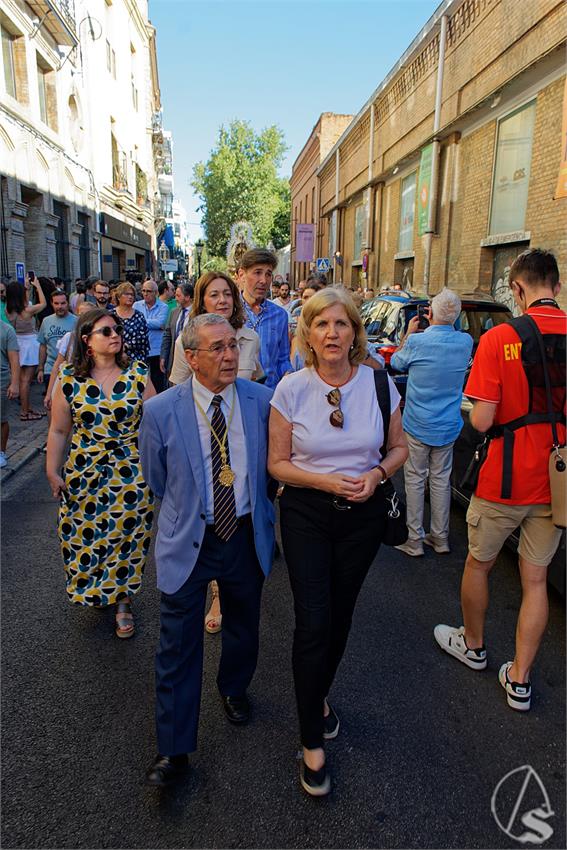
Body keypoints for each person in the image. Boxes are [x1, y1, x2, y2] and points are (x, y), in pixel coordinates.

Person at [268, 287, 408, 796]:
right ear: (307, 333)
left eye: (341, 324)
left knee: (342, 614)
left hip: (363, 517)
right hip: (306, 512)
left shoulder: (378, 383)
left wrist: (376, 475)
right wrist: (327, 482)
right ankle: (311, 740)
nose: (332, 332)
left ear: (354, 332)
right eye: (321, 324)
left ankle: (318, 695)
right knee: (314, 619)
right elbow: (276, 464)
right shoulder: (290, 388)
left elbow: (399, 449)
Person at [139, 314, 275, 788]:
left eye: (233, 345)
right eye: (217, 348)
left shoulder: (260, 401)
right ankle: (173, 751)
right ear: (191, 358)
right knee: (177, 644)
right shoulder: (160, 411)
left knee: (243, 623)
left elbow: (271, 469)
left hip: (242, 532)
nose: (230, 355)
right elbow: (157, 479)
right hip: (189, 538)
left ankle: (234, 687)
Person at [434, 249, 566, 712]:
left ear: (516, 288)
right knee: (536, 579)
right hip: (557, 482)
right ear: (557, 285)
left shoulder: (500, 338)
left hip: (505, 479)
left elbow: (484, 419)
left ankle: (473, 645)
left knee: (479, 563)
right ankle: (520, 679)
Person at [45, 308, 155, 638]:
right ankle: (97, 588)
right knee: (83, 535)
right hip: (84, 471)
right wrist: (52, 471)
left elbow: (156, 421)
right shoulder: (68, 378)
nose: (115, 335)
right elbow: (59, 431)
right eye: (106, 331)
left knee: (127, 537)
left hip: (130, 471)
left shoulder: (137, 373)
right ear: (87, 341)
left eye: (117, 329)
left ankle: (122, 602)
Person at [391, 288, 473, 556]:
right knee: (440, 480)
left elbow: (396, 362)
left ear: (430, 312)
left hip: (418, 422)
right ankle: (441, 538)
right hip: (448, 424)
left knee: (414, 478)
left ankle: (414, 538)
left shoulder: (418, 342)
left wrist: (409, 334)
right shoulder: (464, 342)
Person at [169, 272, 262, 388]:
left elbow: (255, 380)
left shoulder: (251, 338)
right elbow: (178, 391)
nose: (223, 300)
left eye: (228, 294)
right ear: (202, 302)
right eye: (214, 295)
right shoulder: (184, 342)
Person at [238, 248, 291, 388]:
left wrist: (288, 375)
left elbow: (283, 359)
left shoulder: (280, 315)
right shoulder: (230, 311)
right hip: (237, 396)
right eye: (257, 273)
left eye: (268, 274)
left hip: (270, 395)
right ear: (242, 274)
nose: (263, 280)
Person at [5, 275, 46, 421]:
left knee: (22, 378)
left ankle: (27, 408)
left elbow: (24, 302)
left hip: (17, 342)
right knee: (26, 381)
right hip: (29, 344)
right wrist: (38, 286)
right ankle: (24, 412)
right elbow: (43, 304)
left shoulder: (8, 310)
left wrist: (27, 287)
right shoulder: (27, 311)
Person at [37, 290, 77, 391]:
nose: (60, 306)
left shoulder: (76, 321)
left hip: (70, 370)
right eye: (56, 303)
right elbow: (43, 345)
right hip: (49, 369)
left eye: (63, 303)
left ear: (67, 303)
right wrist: (41, 369)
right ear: (51, 303)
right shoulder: (46, 321)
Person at [134, 279, 168, 393]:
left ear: (156, 293)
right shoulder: (136, 305)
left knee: (157, 381)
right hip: (140, 349)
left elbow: (160, 323)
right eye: (143, 291)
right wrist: (153, 323)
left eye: (148, 291)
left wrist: (140, 320)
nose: (145, 293)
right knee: (140, 379)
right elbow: (155, 323)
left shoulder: (163, 307)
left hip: (156, 349)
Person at [160, 282, 194, 380]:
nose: (175, 299)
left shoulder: (198, 313)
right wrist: (163, 356)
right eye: (175, 295)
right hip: (174, 359)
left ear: (187, 297)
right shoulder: (174, 312)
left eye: (178, 296)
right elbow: (167, 336)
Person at [110, 281, 149, 364]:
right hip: (114, 359)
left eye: (132, 295)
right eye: (127, 294)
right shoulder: (110, 315)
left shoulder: (139, 316)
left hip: (136, 359)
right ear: (119, 297)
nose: (130, 297)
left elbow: (143, 339)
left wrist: (125, 347)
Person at [0, 320, 20, 468]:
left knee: (1, 419)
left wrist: (15, 383)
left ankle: (1, 452)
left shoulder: (7, 330)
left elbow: (14, 359)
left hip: (1, 379)